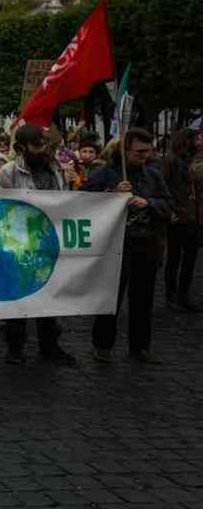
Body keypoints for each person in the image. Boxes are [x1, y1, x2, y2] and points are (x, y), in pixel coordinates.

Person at [84, 127, 171, 363]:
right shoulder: (105, 172)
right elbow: (83, 199)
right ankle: (102, 345)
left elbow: (167, 206)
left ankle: (140, 346)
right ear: (125, 151)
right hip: (115, 243)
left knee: (143, 297)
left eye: (148, 151)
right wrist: (110, 193)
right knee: (111, 295)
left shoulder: (153, 174)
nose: (145, 157)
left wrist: (149, 202)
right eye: (139, 152)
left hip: (146, 241)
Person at [0, 124, 77, 365]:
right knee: (18, 296)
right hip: (18, 244)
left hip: (48, 242)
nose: (44, 150)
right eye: (38, 145)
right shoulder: (9, 172)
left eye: (46, 144)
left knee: (48, 296)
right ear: (22, 147)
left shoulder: (56, 169)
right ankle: (15, 347)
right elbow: (0, 205)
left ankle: (50, 346)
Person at [162, 128, 202, 311]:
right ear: (186, 141)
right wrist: (174, 211)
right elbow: (170, 189)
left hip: (189, 215)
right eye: (197, 139)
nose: (200, 142)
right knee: (176, 257)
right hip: (180, 216)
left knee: (187, 257)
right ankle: (174, 296)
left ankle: (181, 295)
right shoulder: (174, 161)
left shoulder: (186, 161)